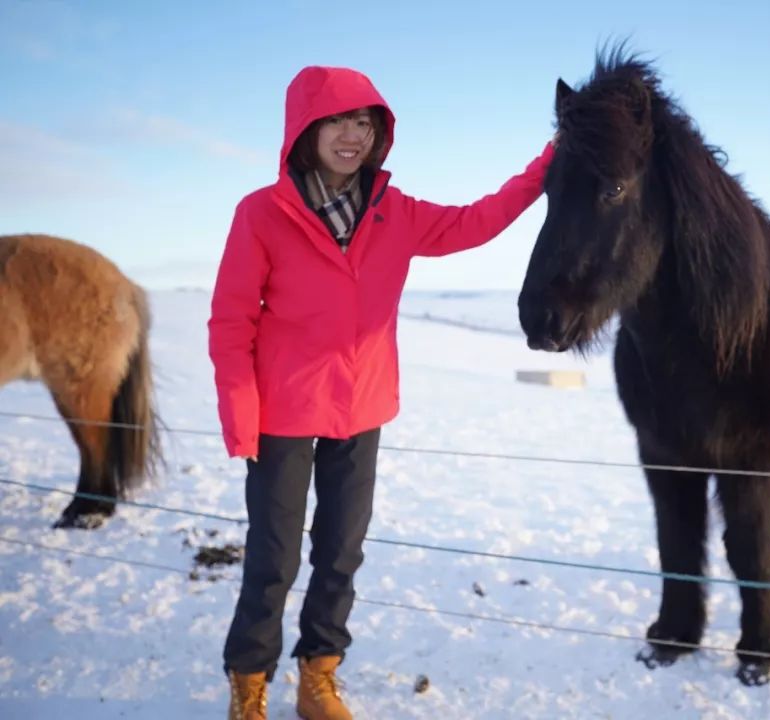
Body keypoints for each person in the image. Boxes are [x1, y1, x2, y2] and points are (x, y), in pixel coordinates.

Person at [208, 65, 554, 720]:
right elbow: (231, 321)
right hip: (280, 413)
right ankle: (249, 686)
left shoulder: (396, 212)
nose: (351, 136)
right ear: (305, 131)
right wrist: (240, 416)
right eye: (337, 121)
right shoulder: (261, 212)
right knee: (273, 560)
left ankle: (319, 677)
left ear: (379, 134)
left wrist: (548, 163)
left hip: (361, 408)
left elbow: (478, 221)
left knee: (340, 553)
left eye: (364, 122)